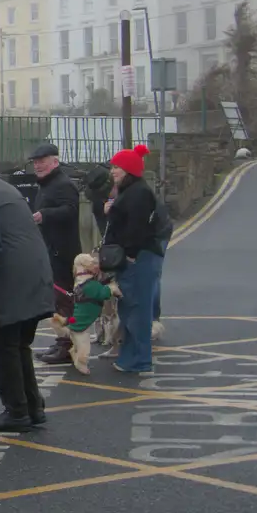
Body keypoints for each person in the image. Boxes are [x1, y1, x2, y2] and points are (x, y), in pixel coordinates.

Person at [0, 151, 52, 431]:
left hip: (11, 278)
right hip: (35, 273)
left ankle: (16, 412)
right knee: (20, 346)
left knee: (5, 347)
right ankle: (33, 407)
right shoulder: (3, 186)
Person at [104, 144, 165, 374]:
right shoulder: (132, 190)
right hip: (134, 259)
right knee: (130, 309)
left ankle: (139, 359)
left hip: (137, 259)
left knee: (136, 310)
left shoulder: (138, 193)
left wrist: (129, 254)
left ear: (128, 169)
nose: (112, 171)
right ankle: (130, 357)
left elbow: (137, 228)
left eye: (116, 167)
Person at [27, 143, 81, 366]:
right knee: (57, 301)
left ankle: (67, 346)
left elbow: (71, 210)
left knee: (65, 300)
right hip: (51, 251)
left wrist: (44, 215)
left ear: (55, 162)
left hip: (63, 252)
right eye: (35, 161)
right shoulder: (47, 185)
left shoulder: (63, 184)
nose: (37, 165)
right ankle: (61, 341)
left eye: (42, 160)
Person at [58, 253, 118, 375]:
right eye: (93, 263)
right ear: (88, 266)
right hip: (80, 326)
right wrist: (113, 287)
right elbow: (105, 293)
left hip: (75, 322)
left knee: (77, 343)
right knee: (85, 349)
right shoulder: (91, 285)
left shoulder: (81, 283)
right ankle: (81, 364)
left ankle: (74, 352)